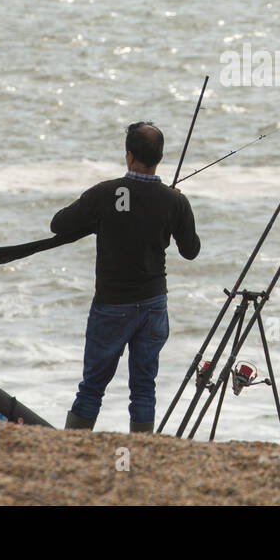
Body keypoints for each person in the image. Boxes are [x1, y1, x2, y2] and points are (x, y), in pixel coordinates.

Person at [51, 121, 201, 432]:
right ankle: (142, 452)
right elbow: (191, 250)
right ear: (159, 157)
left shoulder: (105, 193)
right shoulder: (174, 201)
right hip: (153, 306)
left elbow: (59, 224)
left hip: (111, 305)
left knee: (92, 386)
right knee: (144, 387)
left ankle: (74, 446)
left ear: (129, 156)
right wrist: (176, 205)